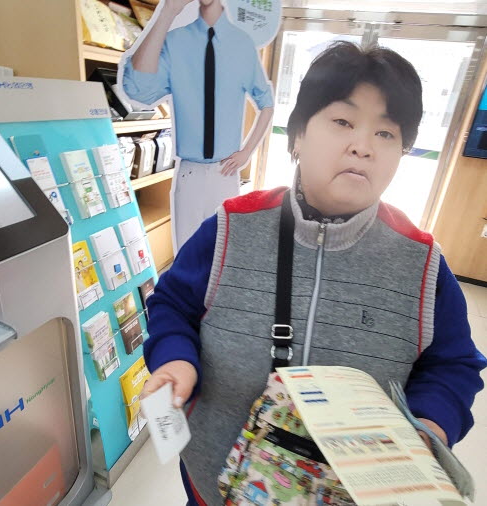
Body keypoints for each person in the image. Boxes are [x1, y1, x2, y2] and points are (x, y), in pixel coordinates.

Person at [139, 42, 487, 505]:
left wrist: (429, 426)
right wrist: (174, 358)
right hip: (216, 481)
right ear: (299, 133)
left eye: (386, 133)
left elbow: (452, 365)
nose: (363, 146)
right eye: (343, 121)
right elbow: (172, 305)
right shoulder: (231, 226)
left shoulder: (422, 262)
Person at [121, 0, 274, 251]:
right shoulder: (175, 41)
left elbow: (266, 104)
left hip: (225, 172)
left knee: (221, 254)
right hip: (189, 173)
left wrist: (246, 152)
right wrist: (168, 12)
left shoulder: (242, 44)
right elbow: (139, 89)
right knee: (186, 255)